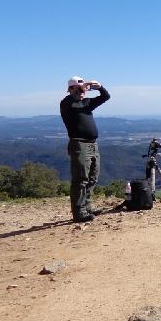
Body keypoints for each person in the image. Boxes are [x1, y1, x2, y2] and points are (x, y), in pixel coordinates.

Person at [59, 76, 110, 222]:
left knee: (92, 177)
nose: (83, 92)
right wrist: (83, 86)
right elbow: (73, 97)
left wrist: (100, 87)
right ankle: (79, 212)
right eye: (79, 89)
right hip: (79, 144)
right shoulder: (67, 103)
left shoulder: (86, 103)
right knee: (80, 179)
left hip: (93, 144)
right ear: (71, 89)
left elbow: (106, 97)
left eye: (84, 90)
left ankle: (87, 207)